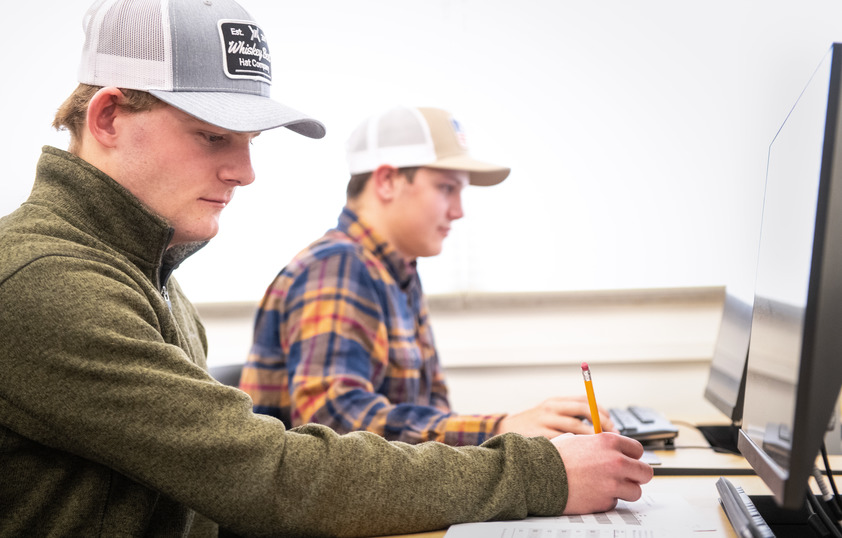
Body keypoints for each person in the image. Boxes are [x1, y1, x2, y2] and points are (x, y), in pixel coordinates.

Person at [0, 0, 653, 535]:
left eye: (249, 143)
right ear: (109, 117)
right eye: (212, 136)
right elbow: (269, 473)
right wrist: (537, 470)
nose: (246, 172)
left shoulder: (147, 274)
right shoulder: (50, 282)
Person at [240, 105, 617, 446]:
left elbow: (431, 410)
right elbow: (335, 424)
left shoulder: (397, 271)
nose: (458, 211)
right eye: (446, 188)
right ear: (387, 180)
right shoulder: (337, 267)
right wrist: (500, 428)